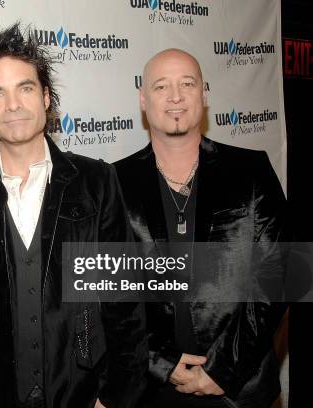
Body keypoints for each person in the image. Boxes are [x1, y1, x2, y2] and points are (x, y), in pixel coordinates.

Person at [0, 22, 147, 408]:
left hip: (83, 396)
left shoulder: (97, 181)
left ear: (46, 97)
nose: (13, 104)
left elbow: (124, 304)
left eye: (25, 88)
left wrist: (114, 397)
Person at [113, 48, 287, 407]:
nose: (175, 97)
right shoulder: (113, 181)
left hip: (240, 390)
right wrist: (159, 362)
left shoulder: (251, 170)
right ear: (143, 100)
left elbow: (279, 275)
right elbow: (106, 293)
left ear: (204, 95)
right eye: (161, 87)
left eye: (187, 84)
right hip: (150, 391)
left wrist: (224, 369)